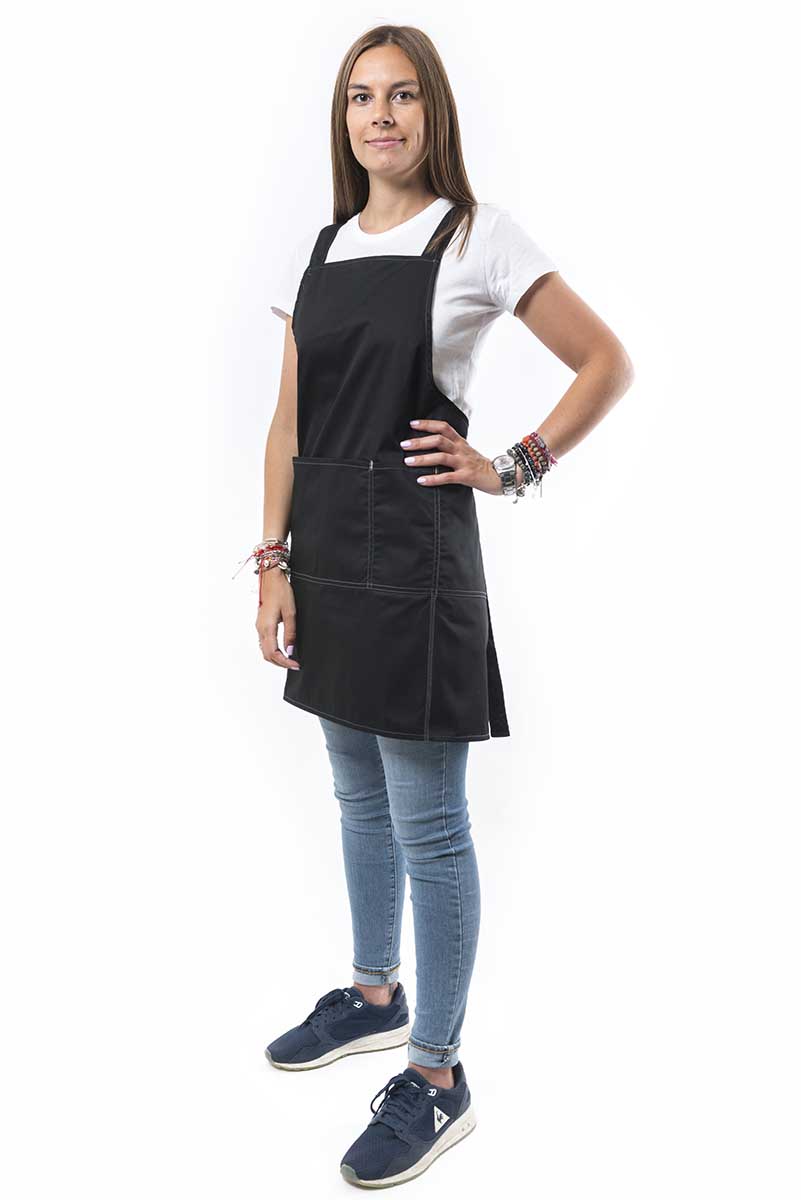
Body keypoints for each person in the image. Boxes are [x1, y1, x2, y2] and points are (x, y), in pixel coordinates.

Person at [251, 23, 634, 1190]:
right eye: (362, 97)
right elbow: (289, 422)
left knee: (429, 826)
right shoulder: (320, 247)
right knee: (354, 795)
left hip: (417, 567)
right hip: (325, 559)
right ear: (344, 120)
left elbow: (605, 363)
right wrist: (270, 560)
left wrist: (511, 465)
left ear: (434, 113)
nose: (382, 116)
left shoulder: (477, 237)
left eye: (403, 95)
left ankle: (437, 1074)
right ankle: (375, 996)